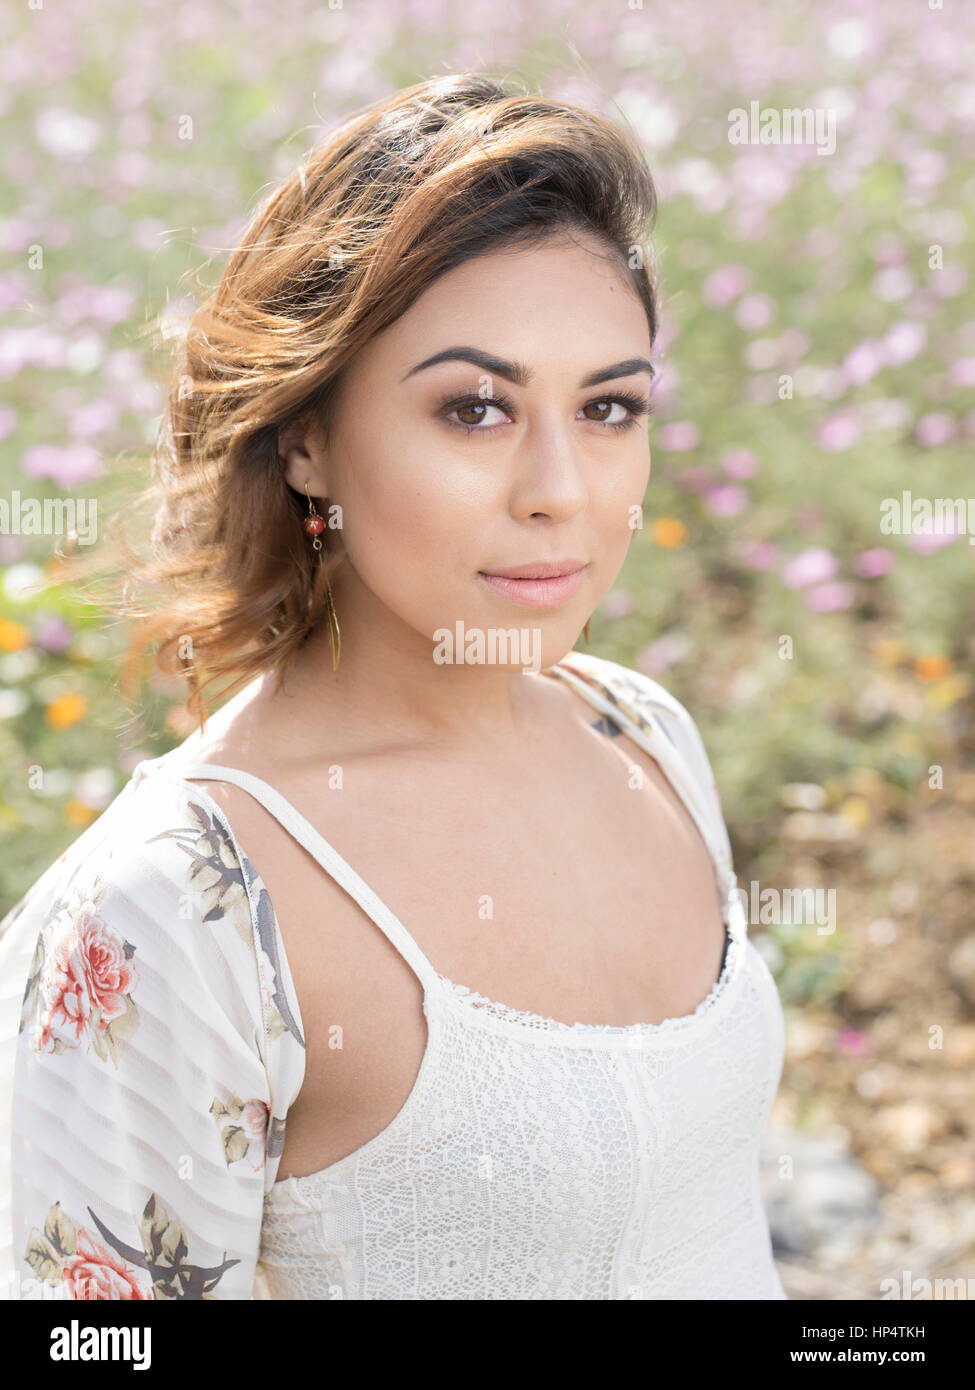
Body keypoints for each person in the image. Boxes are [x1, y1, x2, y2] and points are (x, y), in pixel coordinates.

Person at [0, 72, 786, 1300]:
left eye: (609, 407)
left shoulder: (640, 733)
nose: (560, 490)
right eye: (474, 408)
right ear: (307, 440)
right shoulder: (180, 905)